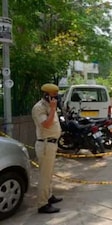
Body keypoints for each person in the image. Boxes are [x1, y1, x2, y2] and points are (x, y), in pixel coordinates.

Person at [32, 83, 63, 214]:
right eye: (53, 96)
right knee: (45, 176)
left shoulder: (50, 107)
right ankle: (42, 204)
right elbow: (47, 124)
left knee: (49, 174)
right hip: (45, 145)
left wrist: (53, 108)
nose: (56, 98)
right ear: (46, 96)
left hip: (51, 144)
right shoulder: (39, 108)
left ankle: (49, 196)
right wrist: (53, 108)